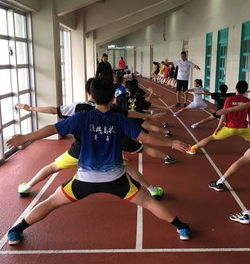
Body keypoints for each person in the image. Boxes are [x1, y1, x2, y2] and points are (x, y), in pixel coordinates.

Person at [5, 77, 191, 245]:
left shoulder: (82, 117)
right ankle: (182, 227)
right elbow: (146, 138)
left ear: (91, 95)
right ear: (113, 98)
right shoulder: (119, 119)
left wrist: (25, 137)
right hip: (116, 179)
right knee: (149, 203)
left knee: (52, 202)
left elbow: (51, 129)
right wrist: (171, 143)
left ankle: (16, 231)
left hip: (84, 180)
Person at [15, 78, 172, 200]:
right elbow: (130, 113)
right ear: (110, 96)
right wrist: (148, 116)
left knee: (52, 167)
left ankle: (27, 187)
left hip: (78, 151)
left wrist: (30, 109)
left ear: (87, 93)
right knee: (127, 169)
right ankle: (152, 190)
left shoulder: (78, 107)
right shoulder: (113, 108)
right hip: (105, 154)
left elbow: (52, 110)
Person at [186, 81, 250, 155]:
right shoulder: (247, 100)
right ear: (245, 90)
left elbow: (224, 113)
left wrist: (218, 127)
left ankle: (192, 148)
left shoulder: (229, 99)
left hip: (230, 128)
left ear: (235, 88)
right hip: (243, 128)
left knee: (211, 138)